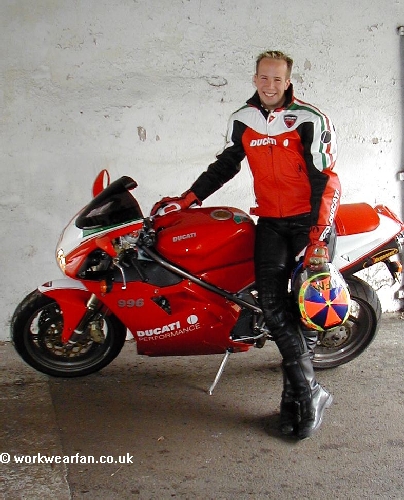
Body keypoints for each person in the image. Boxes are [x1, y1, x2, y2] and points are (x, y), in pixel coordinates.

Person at [151, 50, 341, 439]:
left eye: (277, 79)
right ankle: (310, 394)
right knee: (271, 307)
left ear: (288, 82)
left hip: (310, 225)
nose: (270, 85)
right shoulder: (243, 119)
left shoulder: (310, 119)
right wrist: (188, 199)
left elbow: (327, 181)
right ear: (255, 79)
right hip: (270, 222)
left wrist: (318, 236)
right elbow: (225, 166)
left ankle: (295, 402)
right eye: (263, 78)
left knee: (304, 313)